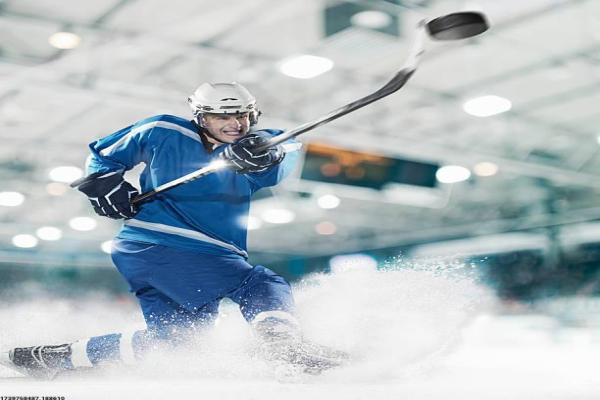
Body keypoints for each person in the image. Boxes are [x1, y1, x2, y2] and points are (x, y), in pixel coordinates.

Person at [0, 82, 346, 378]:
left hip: (153, 255)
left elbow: (281, 156)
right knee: (259, 282)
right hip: (167, 243)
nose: (235, 123)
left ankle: (53, 358)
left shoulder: (256, 148)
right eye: (222, 116)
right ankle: (283, 345)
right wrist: (106, 185)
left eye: (242, 115)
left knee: (178, 343)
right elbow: (103, 155)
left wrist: (266, 153)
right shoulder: (162, 130)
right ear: (201, 116)